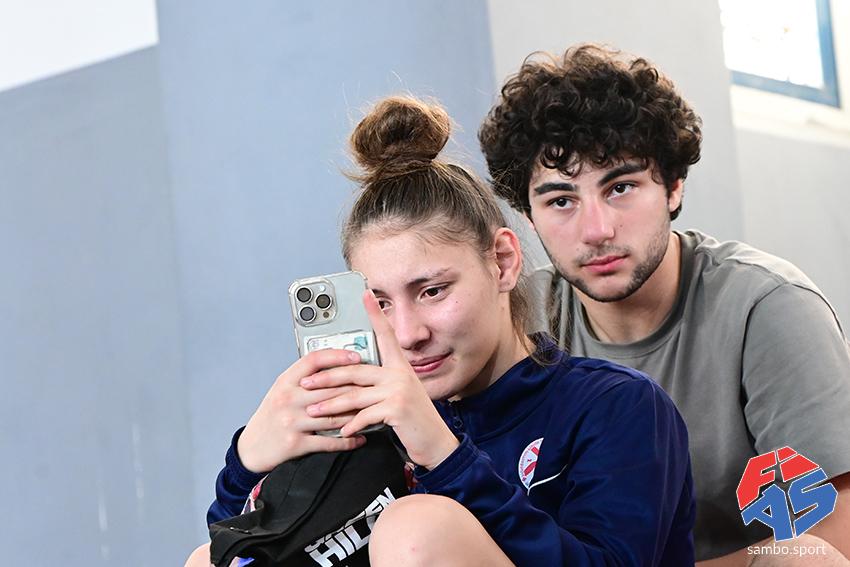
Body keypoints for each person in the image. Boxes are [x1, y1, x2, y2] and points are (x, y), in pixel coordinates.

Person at [187, 96, 695, 566]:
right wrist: (247, 464)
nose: (408, 334)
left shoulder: (616, 407)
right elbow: (244, 550)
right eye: (381, 303)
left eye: (432, 291)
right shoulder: (370, 430)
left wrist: (444, 456)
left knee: (416, 528)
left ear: (502, 261)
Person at [477, 43, 850, 565]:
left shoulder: (765, 307)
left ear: (674, 187)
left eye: (621, 188)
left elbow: (833, 535)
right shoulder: (522, 317)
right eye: (561, 200)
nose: (596, 230)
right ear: (528, 214)